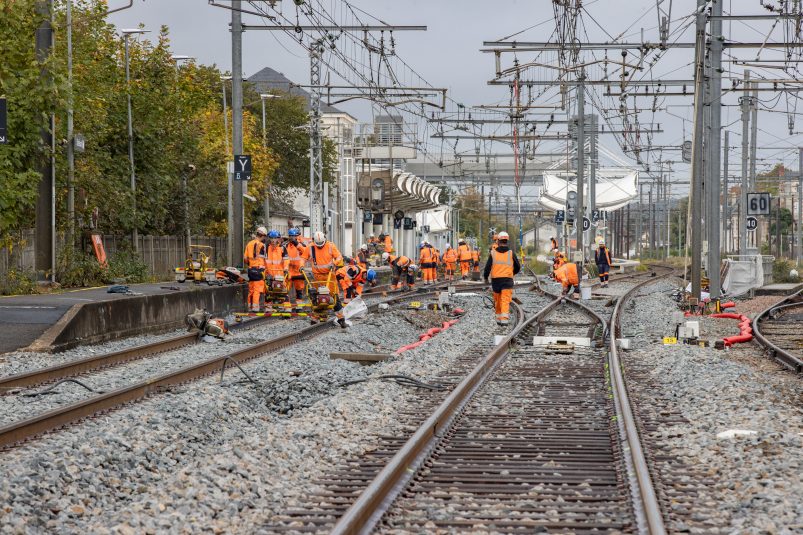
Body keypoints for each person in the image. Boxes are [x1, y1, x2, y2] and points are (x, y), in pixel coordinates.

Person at [301, 231, 347, 327]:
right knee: (317, 297)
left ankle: (341, 319)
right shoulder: (310, 247)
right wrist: (301, 266)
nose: (320, 246)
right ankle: (316, 318)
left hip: (329, 275)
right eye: (318, 245)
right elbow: (303, 257)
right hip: (317, 276)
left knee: (334, 297)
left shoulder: (330, 246)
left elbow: (339, 257)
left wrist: (334, 263)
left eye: (321, 244)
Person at [483, 231, 521, 326]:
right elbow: (518, 266)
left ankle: (499, 319)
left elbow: (487, 267)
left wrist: (485, 277)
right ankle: (504, 319)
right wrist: (512, 273)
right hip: (507, 280)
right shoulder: (511, 253)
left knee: (498, 299)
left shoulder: (493, 253)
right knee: (505, 299)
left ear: (498, 241)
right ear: (507, 241)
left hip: (496, 280)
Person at [243, 227, 268, 311]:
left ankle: (249, 306)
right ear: (263, 236)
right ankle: (255, 307)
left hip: (250, 270)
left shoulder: (249, 244)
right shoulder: (261, 245)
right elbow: (263, 259)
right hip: (258, 270)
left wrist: (250, 264)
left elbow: (245, 259)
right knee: (257, 289)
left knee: (251, 289)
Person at [284, 228, 306, 311]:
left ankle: (299, 307)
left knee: (299, 290)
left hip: (298, 271)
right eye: (290, 236)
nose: (291, 238)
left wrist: (297, 244)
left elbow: (305, 252)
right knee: (285, 290)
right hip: (289, 271)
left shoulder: (301, 245)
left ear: (297, 236)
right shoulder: (285, 245)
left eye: (293, 236)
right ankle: (287, 308)